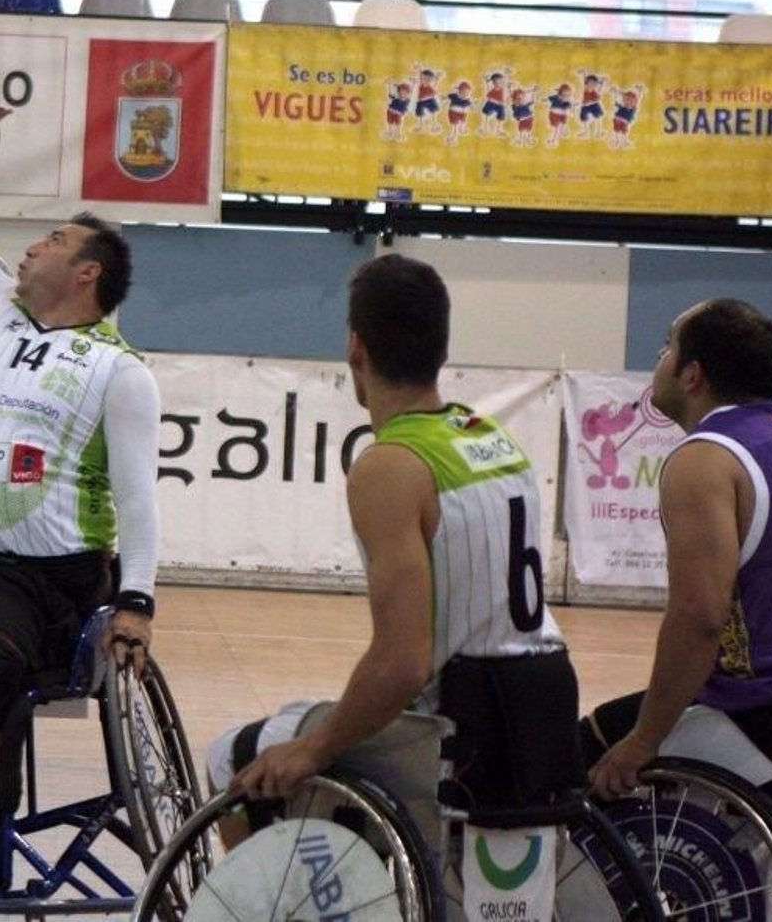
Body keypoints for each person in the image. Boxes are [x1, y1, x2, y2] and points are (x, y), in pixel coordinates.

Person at [211, 255, 573, 827]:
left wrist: (315, 748)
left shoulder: (390, 466)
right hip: (547, 701)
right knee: (300, 719)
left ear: (356, 347)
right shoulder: (494, 438)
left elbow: (403, 661)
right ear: (442, 348)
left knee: (238, 754)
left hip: (463, 726)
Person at [0, 110, 160, 895]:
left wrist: (139, 601)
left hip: (61, 580)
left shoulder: (121, 371)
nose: (34, 244)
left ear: (87, 274)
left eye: (54, 239)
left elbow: (139, 497)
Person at [585, 299, 772, 799]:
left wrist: (643, 740)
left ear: (692, 375)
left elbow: (700, 617)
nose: (658, 357)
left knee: (581, 754)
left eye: (668, 347)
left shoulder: (707, 457)